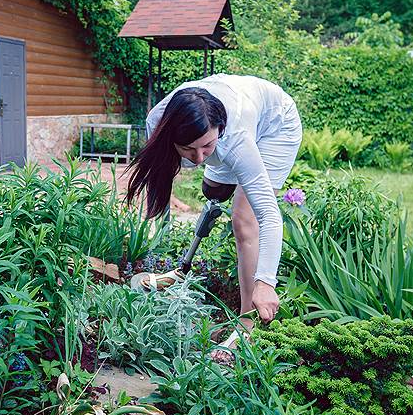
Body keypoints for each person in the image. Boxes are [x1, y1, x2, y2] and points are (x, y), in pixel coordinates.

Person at [125, 73, 302, 353]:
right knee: (214, 192)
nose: (197, 159)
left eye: (206, 147)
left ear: (219, 130)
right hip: (228, 126)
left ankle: (247, 327)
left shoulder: (235, 141)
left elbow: (269, 214)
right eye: (188, 149)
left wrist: (266, 282)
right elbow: (163, 174)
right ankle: (181, 269)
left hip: (275, 127)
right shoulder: (158, 121)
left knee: (244, 218)